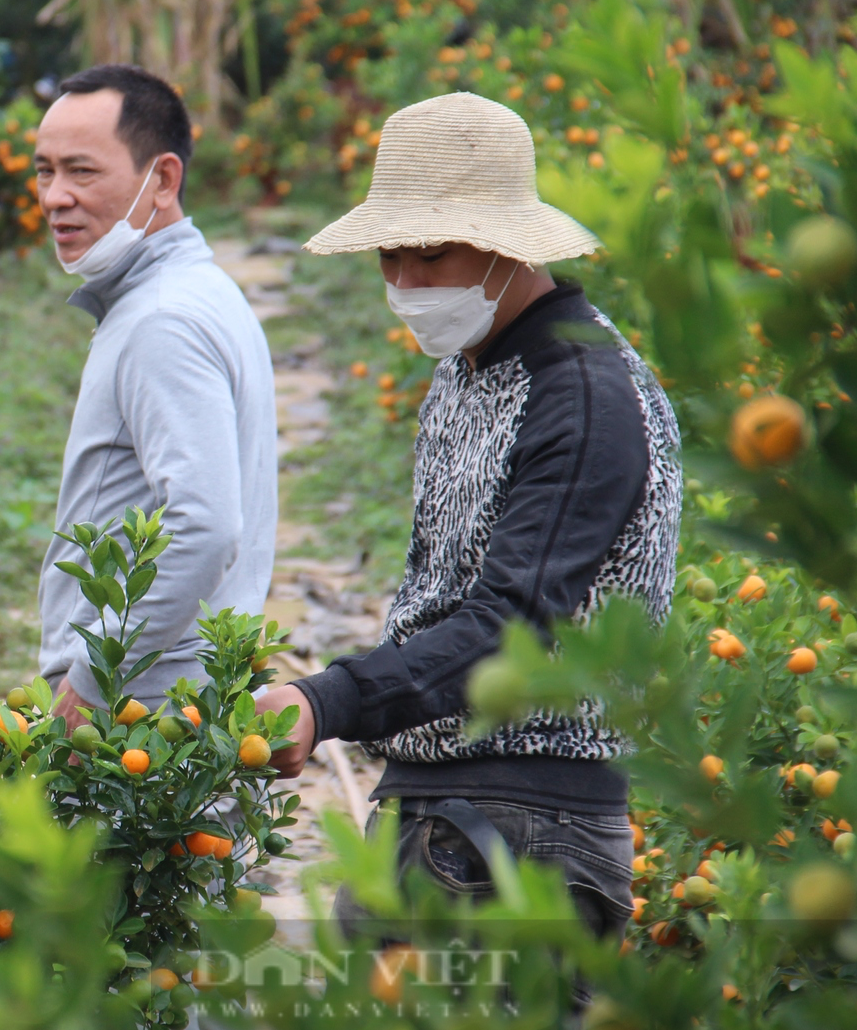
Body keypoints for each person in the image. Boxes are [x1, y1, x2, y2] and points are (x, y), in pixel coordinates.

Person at [257, 90, 682, 943]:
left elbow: (508, 629)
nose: (406, 283)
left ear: (504, 246)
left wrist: (327, 698)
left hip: (525, 833)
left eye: (431, 254)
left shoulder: (585, 396)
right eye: (390, 257)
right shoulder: (471, 368)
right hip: (440, 814)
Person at [30, 62, 278, 1030]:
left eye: (82, 170)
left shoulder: (163, 320)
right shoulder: (181, 299)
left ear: (160, 178)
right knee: (194, 996)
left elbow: (203, 524)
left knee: (148, 1001)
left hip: (147, 717)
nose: (53, 195)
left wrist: (95, 672)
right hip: (181, 707)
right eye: (41, 171)